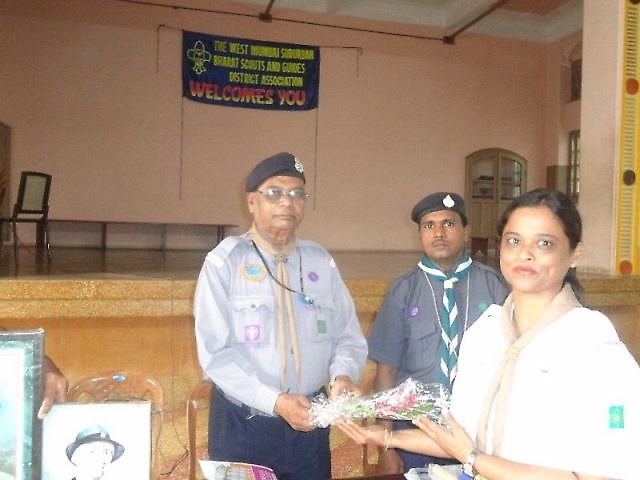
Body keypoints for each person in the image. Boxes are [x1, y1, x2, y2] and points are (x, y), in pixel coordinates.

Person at [337, 189, 640, 479]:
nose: (525, 254)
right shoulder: (485, 332)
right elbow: (464, 436)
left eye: (544, 243)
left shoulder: (595, 346)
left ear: (575, 254)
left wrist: (474, 460)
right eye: (514, 241)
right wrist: (386, 437)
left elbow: (601, 475)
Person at [194, 152, 368, 480]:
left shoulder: (320, 262)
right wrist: (275, 402)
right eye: (274, 193)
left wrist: (341, 377)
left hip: (309, 427)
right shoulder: (224, 263)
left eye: (296, 193)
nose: (287, 202)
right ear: (252, 202)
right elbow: (215, 356)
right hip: (244, 428)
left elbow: (347, 335)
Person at [367, 192, 508, 472]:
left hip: (477, 432)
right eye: (429, 225)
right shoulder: (402, 291)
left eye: (449, 223)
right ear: (420, 234)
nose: (439, 233)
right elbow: (386, 372)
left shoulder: (495, 286)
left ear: (466, 231)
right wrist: (387, 445)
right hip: (415, 429)